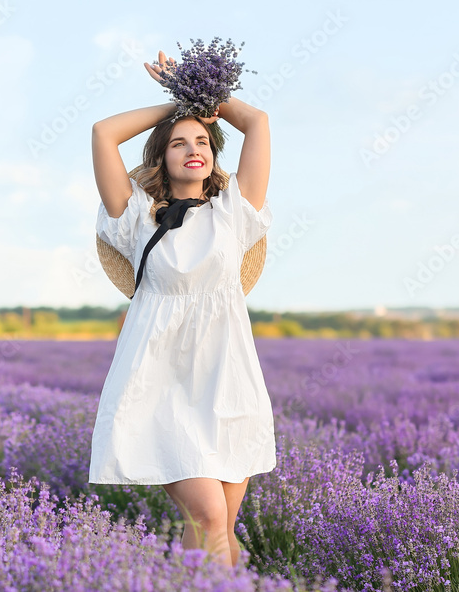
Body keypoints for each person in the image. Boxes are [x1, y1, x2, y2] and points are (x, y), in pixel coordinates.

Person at [89, 50, 275, 569]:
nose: (193, 149)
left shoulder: (234, 213)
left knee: (215, 527)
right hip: (161, 385)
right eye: (178, 143)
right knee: (211, 518)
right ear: (161, 159)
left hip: (229, 382)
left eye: (201, 142)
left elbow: (256, 122)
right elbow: (104, 132)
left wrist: (203, 95)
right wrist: (178, 101)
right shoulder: (134, 219)